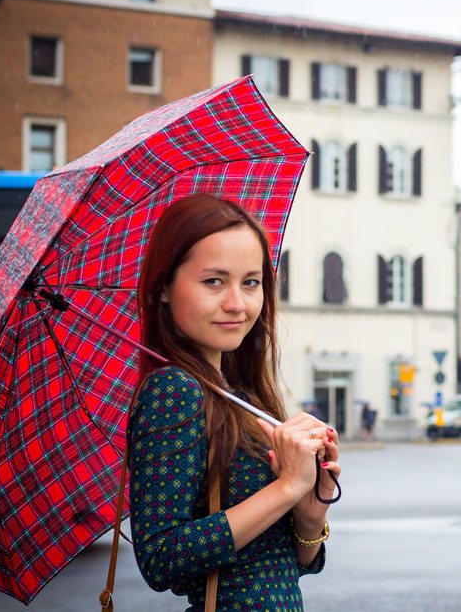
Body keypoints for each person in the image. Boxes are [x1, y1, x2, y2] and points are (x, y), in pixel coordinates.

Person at [129, 194, 341, 612]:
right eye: (213, 281)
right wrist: (286, 487)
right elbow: (161, 559)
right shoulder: (174, 391)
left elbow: (284, 566)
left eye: (250, 282)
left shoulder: (240, 393)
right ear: (166, 288)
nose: (237, 304)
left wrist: (310, 509)